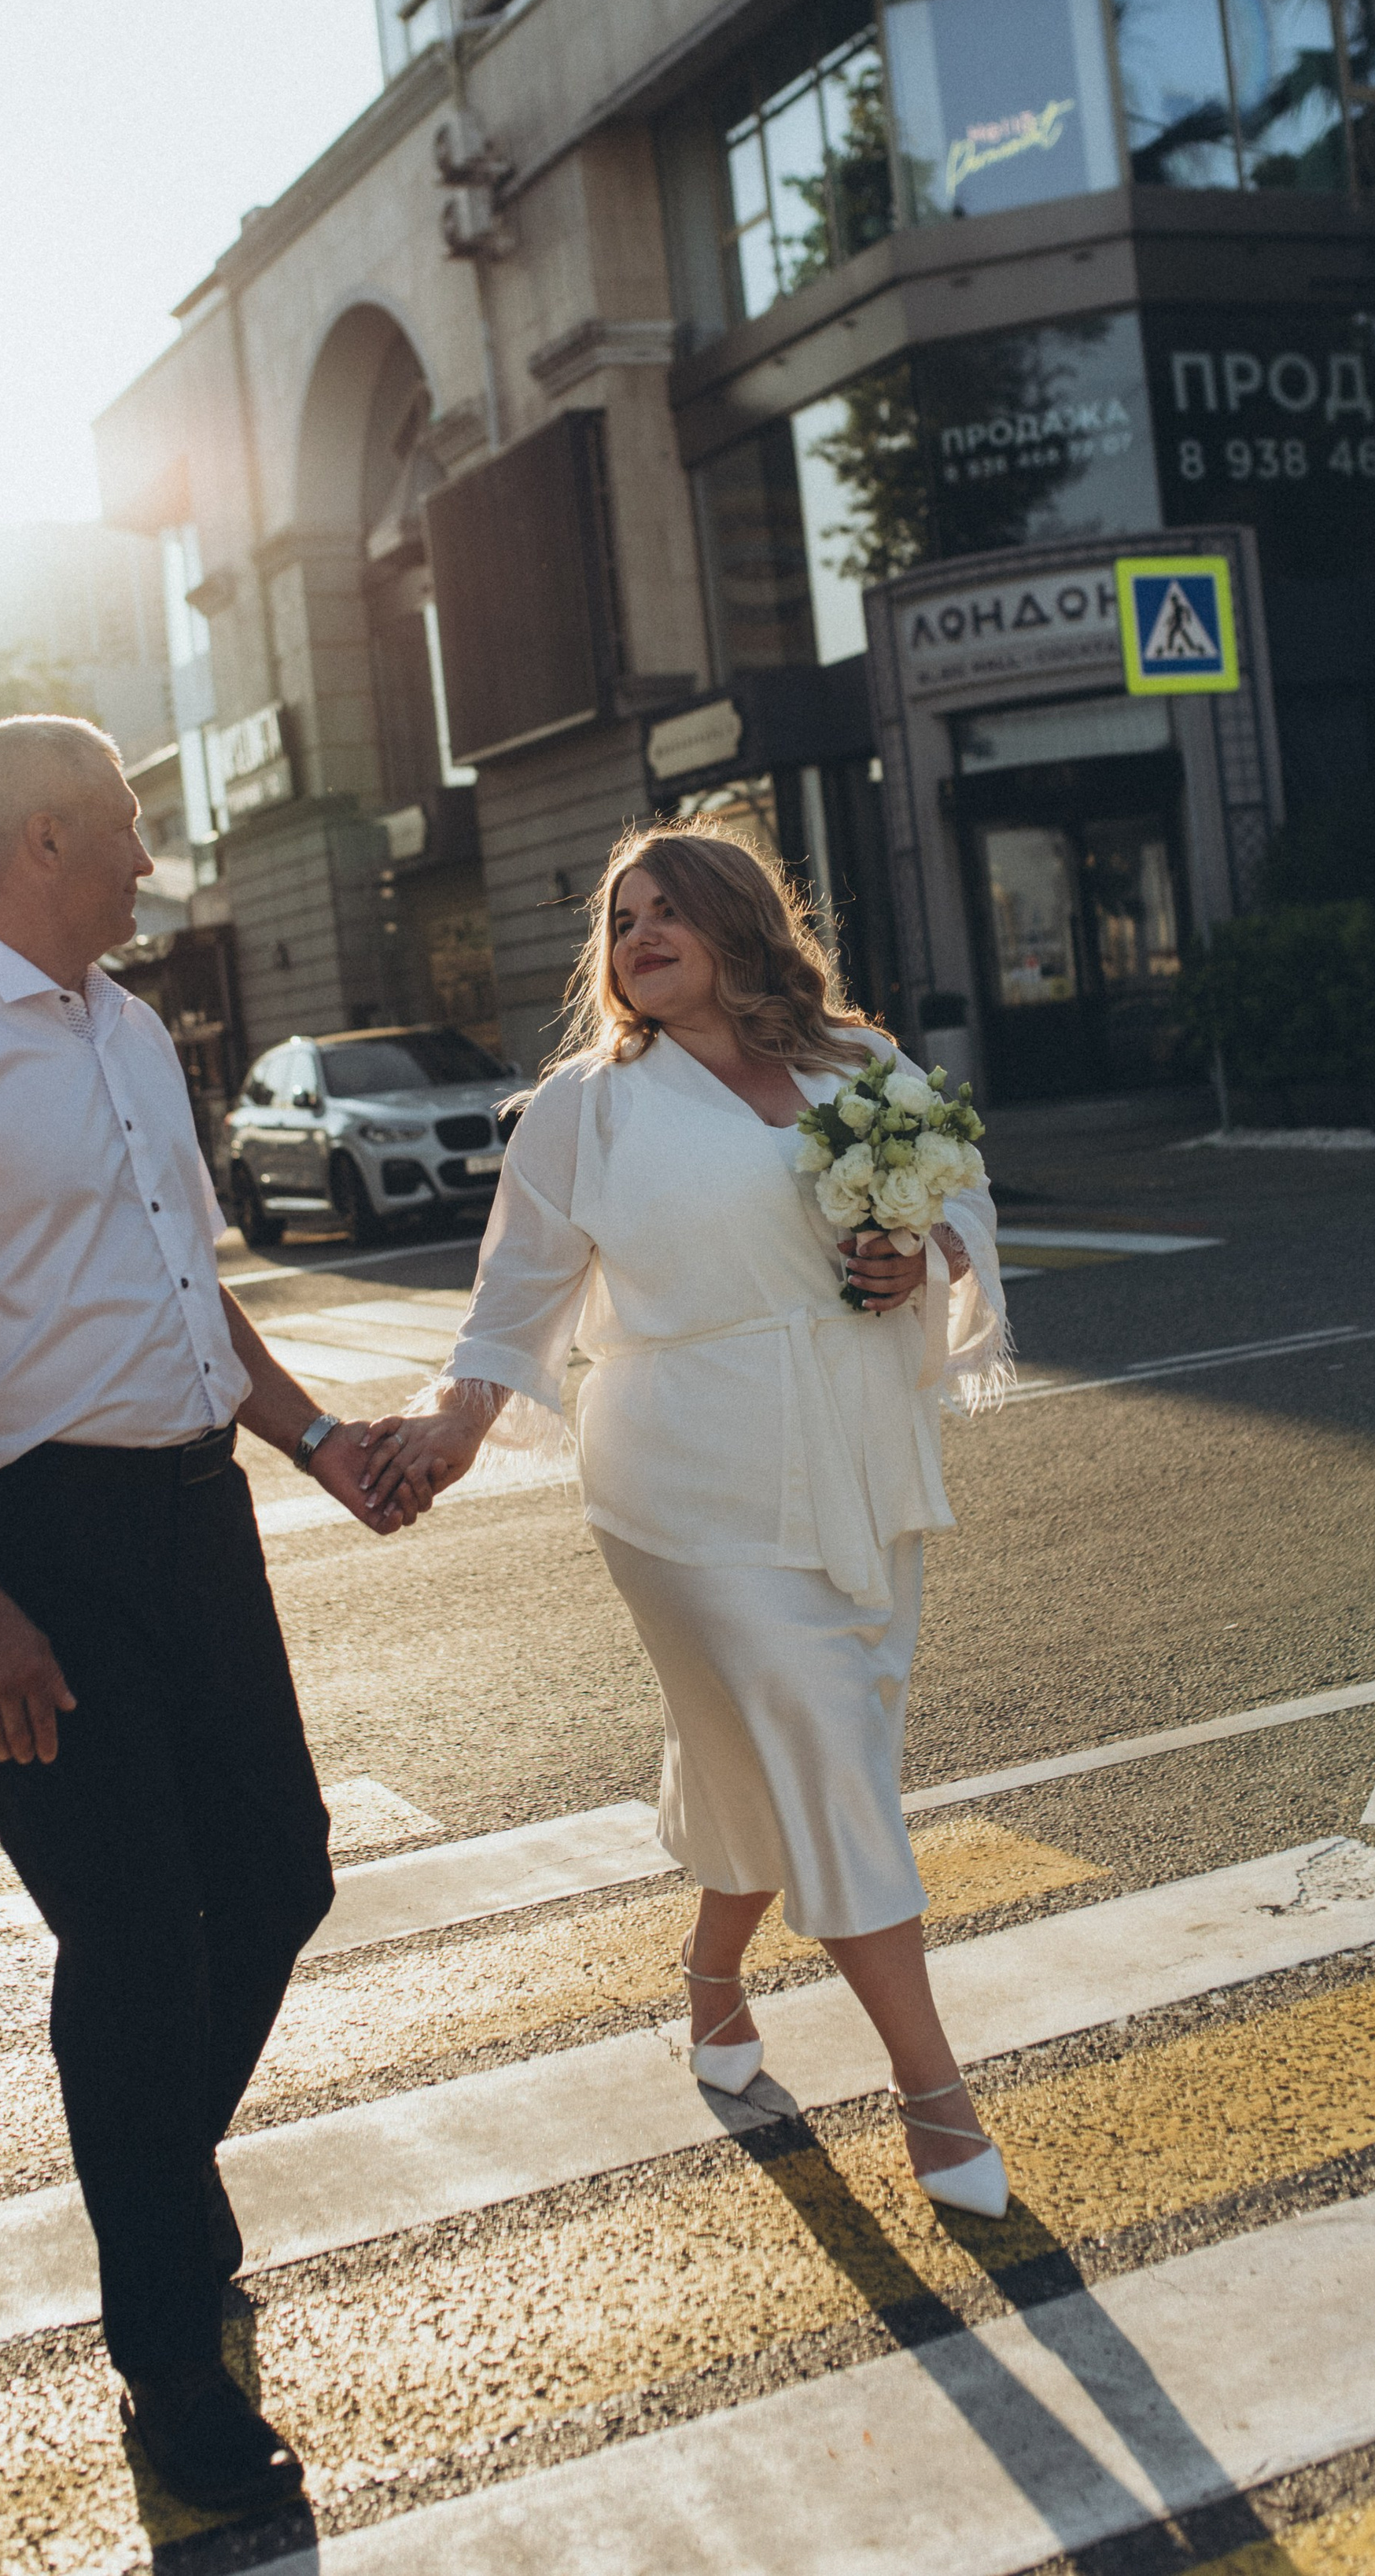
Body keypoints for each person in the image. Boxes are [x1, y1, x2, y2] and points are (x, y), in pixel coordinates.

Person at [0, 713, 418, 2517]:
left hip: (193, 1521)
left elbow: (179, 1289)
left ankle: (150, 2189)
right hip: (34, 1543)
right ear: (49, 838)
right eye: (133, 828)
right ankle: (168, 2358)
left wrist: (312, 1443)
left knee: (280, 1876)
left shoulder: (130, 1034)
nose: (154, 856)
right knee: (138, 1945)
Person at [359, 822, 1014, 2217]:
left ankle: (714, 1976)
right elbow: (514, 1299)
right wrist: (453, 1428)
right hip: (684, 1476)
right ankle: (935, 2093)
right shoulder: (585, 1110)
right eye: (620, 919)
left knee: (777, 1748)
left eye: (669, 911)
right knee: (825, 1743)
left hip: (854, 1452)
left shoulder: (860, 1066)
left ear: (738, 922)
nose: (639, 936)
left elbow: (964, 1208)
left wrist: (919, 1259)